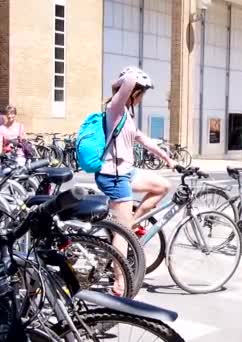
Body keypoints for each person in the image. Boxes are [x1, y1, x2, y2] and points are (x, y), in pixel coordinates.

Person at [96, 66, 175, 295]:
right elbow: (129, 78)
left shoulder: (127, 114)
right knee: (121, 233)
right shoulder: (115, 108)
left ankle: (132, 224)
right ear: (133, 93)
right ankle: (119, 282)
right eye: (142, 93)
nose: (142, 99)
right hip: (113, 175)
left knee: (163, 186)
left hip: (126, 171)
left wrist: (167, 158)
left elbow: (143, 139)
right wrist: (118, 84)